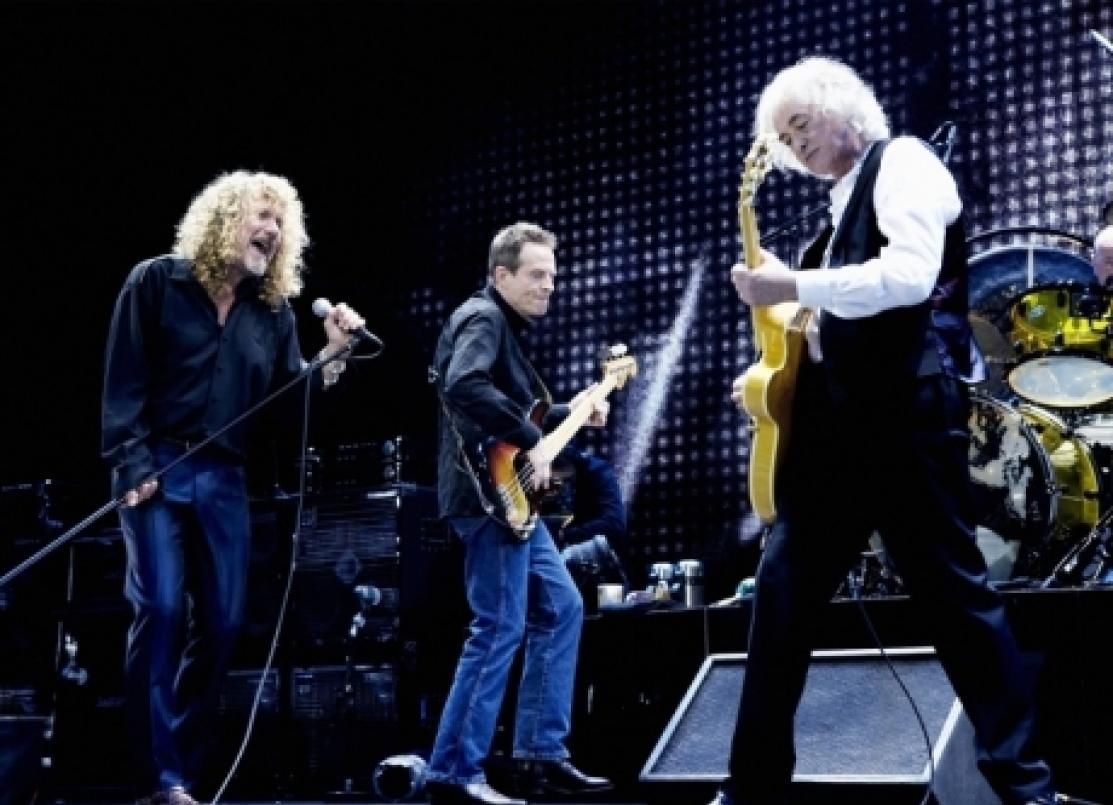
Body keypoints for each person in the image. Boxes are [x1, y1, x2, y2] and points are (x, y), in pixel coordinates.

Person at [715, 57, 1062, 805]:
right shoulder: (833, 213)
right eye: (784, 138)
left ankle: (1026, 787)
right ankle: (750, 787)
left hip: (903, 418)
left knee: (957, 602)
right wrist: (778, 359)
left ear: (843, 107)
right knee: (780, 600)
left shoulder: (904, 162)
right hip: (832, 435)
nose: (794, 145)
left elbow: (906, 278)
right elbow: (827, 325)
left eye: (800, 124)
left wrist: (791, 283)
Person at [101, 170, 365, 805]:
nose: (272, 229)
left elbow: (285, 405)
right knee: (163, 609)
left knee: (222, 625)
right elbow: (124, 382)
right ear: (224, 220)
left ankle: (182, 773)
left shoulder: (272, 314)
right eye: (261, 215)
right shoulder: (155, 282)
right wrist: (133, 466)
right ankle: (159, 778)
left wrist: (331, 358)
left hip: (224, 476)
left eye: (280, 221)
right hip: (157, 466)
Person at [428, 222, 613, 805]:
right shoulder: (483, 317)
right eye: (536, 275)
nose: (549, 285)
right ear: (501, 274)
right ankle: (453, 772)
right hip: (486, 496)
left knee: (561, 607)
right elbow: (464, 385)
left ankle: (539, 754)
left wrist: (569, 412)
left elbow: (508, 410)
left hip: (507, 498)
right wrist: (533, 438)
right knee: (499, 627)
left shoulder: (501, 325)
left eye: (553, 276)